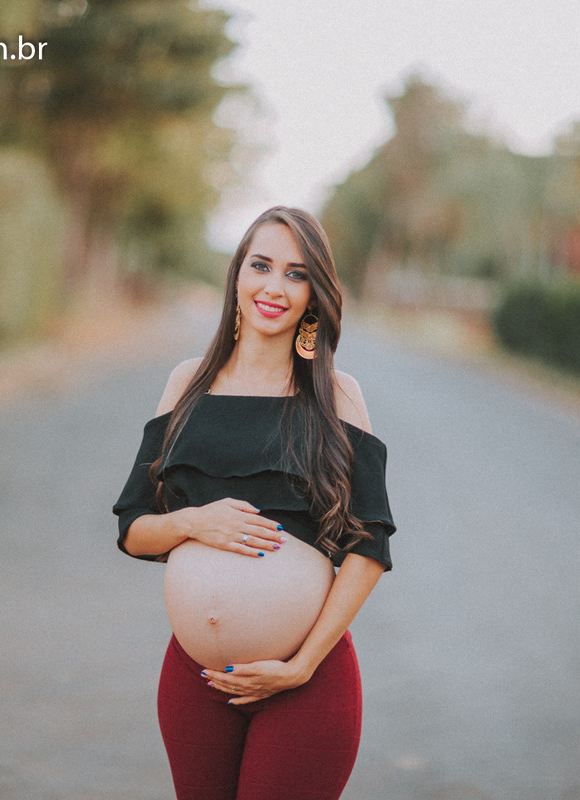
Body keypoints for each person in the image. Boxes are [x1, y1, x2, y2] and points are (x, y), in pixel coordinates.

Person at [112, 206, 395, 799]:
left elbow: (368, 546)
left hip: (303, 681)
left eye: (296, 274)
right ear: (237, 276)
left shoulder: (338, 395)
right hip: (195, 680)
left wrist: (302, 664)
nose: (274, 286)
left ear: (316, 294)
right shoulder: (187, 383)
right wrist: (194, 521)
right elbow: (135, 529)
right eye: (261, 265)